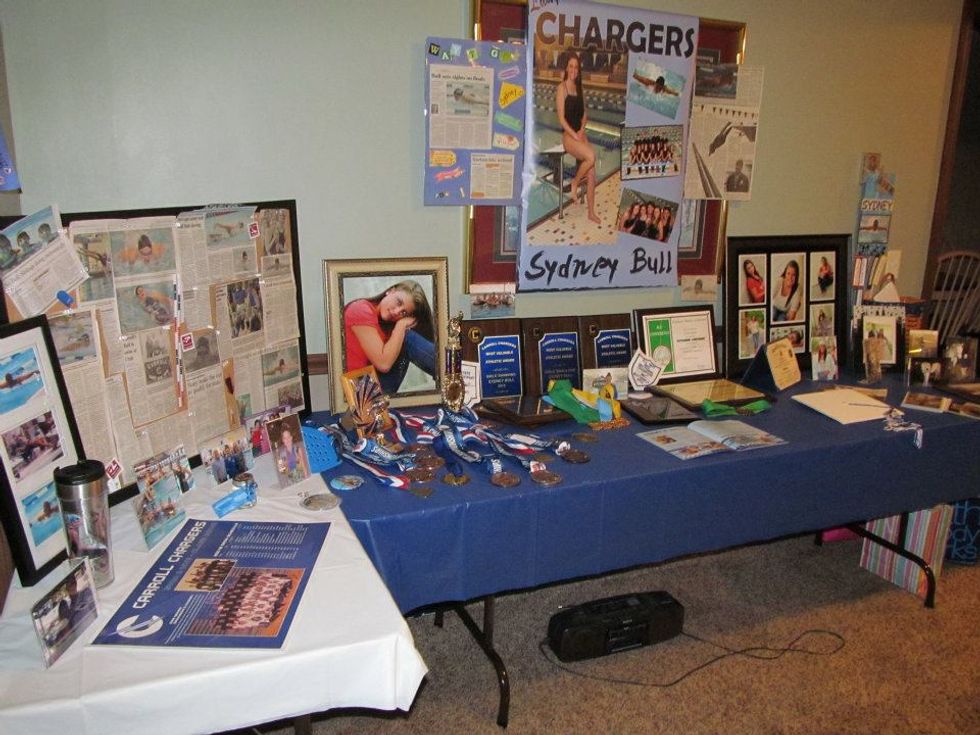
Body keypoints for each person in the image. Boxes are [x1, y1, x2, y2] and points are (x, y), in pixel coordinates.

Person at [343, 279, 435, 394]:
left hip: (369, 388)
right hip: (357, 393)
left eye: (404, 313)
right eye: (398, 302)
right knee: (406, 337)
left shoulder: (386, 325)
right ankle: (451, 372)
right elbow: (384, 364)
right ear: (390, 291)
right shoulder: (360, 309)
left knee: (403, 338)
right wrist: (401, 325)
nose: (397, 312)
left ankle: (449, 373)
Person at [556, 52, 600, 224]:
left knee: (592, 173)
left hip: (580, 134)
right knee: (591, 156)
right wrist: (574, 134)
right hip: (568, 136)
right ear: (567, 68)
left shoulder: (579, 88)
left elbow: (584, 114)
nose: (574, 69)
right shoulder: (562, 88)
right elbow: (561, 119)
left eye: (576, 67)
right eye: (571, 66)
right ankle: (574, 183)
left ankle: (591, 212)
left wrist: (581, 129)